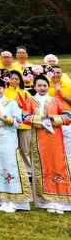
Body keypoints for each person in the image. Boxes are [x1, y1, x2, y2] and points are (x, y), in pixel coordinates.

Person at [24, 75, 71, 214]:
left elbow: (68, 116)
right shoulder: (30, 101)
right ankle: (47, 201)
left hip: (56, 140)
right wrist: (40, 119)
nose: (42, 88)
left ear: (48, 86)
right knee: (44, 168)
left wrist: (53, 118)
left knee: (59, 166)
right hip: (39, 139)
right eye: (39, 85)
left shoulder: (56, 101)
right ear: (34, 87)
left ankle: (61, 200)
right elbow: (24, 117)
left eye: (45, 85)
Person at [0, 77, 31, 213]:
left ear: (4, 88)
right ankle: (3, 199)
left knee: (11, 166)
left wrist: (2, 116)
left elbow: (17, 122)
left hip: (9, 140)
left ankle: (15, 201)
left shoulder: (11, 104)